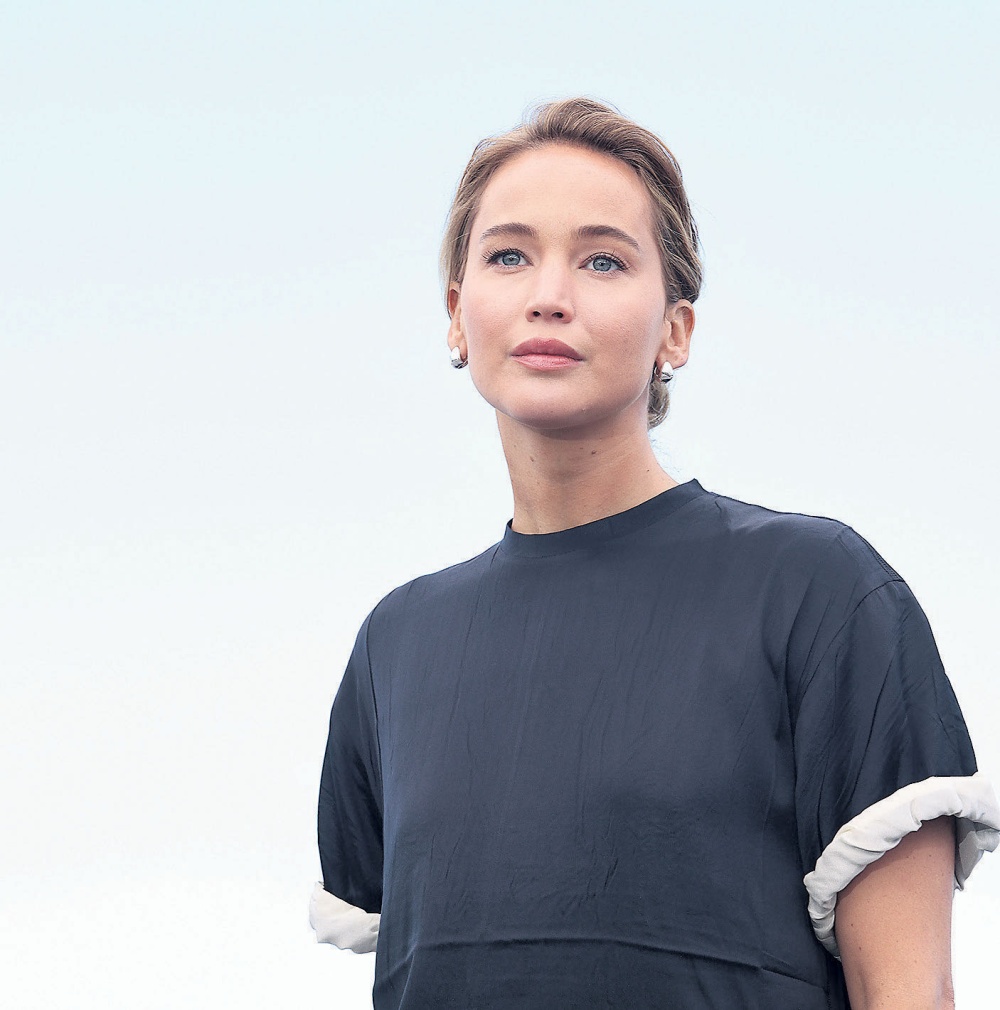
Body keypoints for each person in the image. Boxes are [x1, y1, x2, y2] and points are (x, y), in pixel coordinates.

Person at [309, 98, 1000, 1009]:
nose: (549, 293)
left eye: (603, 260)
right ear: (456, 315)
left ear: (676, 329)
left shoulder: (820, 594)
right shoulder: (396, 645)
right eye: (509, 255)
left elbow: (909, 993)